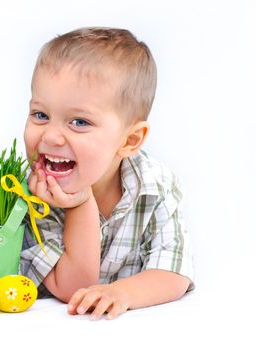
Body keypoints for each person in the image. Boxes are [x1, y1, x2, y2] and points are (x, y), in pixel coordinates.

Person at [19, 27, 194, 321]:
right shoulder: (32, 193)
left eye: (78, 122)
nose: (51, 136)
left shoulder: (154, 185)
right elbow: (73, 288)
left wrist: (123, 293)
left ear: (129, 141)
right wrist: (79, 203)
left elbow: (175, 272)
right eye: (41, 115)